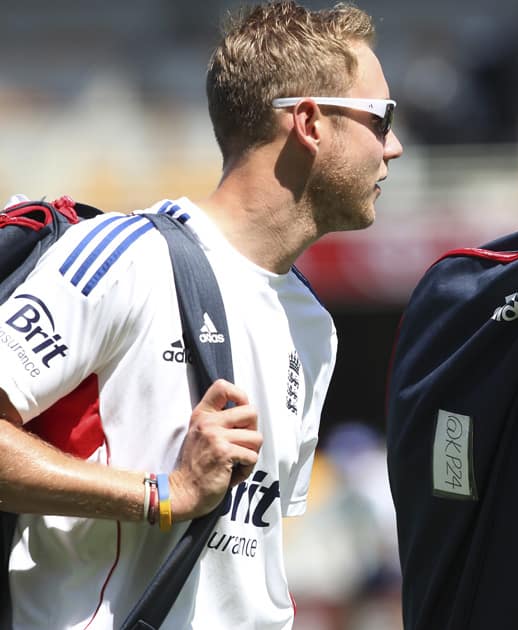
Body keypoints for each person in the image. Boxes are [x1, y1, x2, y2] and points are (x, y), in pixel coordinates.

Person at [0, 1, 402, 628]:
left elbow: (250, 560)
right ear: (310, 122)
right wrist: (163, 495)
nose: (395, 147)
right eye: (382, 120)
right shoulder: (125, 258)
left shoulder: (314, 324)